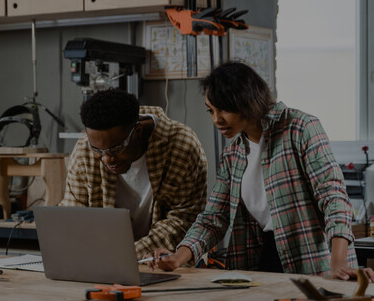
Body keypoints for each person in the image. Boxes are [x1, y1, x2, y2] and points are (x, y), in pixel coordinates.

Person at [147, 61, 374, 281]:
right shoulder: (233, 154)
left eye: (224, 108)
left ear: (246, 100)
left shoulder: (301, 129)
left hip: (315, 264)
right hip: (259, 265)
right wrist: (178, 257)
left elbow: (333, 198)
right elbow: (213, 218)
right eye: (210, 111)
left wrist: (338, 263)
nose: (217, 119)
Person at [59, 88, 208, 259]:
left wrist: (125, 255)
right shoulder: (84, 150)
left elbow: (183, 221)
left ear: (137, 132)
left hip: (164, 261)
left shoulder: (182, 146)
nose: (107, 159)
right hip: (104, 259)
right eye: (98, 150)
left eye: (116, 148)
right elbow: (73, 216)